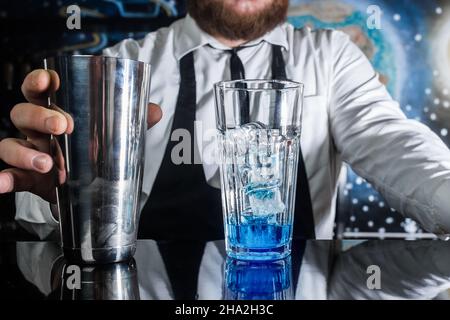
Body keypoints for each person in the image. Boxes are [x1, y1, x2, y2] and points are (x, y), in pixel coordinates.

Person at [1, 0, 450, 240]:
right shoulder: (122, 67)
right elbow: (49, 207)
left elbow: (392, 142)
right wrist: (61, 195)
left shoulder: (330, 57)